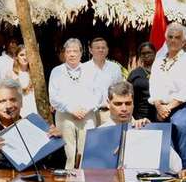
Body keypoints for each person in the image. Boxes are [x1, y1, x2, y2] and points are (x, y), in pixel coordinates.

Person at [149, 23, 186, 169]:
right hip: (160, 109)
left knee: (183, 148)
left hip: (180, 109)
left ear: (183, 42)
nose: (173, 40)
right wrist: (158, 106)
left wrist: (168, 108)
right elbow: (153, 85)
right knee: (165, 149)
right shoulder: (158, 60)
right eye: (170, 37)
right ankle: (166, 181)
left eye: (177, 37)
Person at [49, 38, 97, 169]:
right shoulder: (56, 71)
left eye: (75, 51)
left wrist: (85, 109)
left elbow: (98, 94)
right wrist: (71, 109)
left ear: (81, 53)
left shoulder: (91, 70)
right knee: (70, 154)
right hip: (65, 116)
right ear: (64, 54)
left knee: (85, 152)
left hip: (87, 116)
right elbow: (53, 98)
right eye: (68, 51)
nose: (72, 54)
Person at [82, 37, 123, 125]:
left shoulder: (115, 68)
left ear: (107, 50)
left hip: (109, 113)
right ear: (90, 50)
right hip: (89, 114)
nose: (101, 50)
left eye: (103, 47)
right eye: (97, 48)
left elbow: (119, 90)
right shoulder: (83, 68)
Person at [127, 42, 157, 121]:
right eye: (143, 53)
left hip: (160, 114)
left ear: (155, 53)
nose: (146, 55)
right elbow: (127, 93)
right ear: (140, 56)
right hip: (140, 116)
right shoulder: (134, 74)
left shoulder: (162, 71)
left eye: (149, 52)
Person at [10, 44, 38, 117]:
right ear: (16, 57)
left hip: (34, 109)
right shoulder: (11, 74)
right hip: (19, 111)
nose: (25, 58)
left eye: (27, 54)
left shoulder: (35, 73)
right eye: (21, 55)